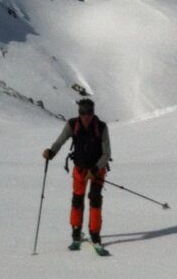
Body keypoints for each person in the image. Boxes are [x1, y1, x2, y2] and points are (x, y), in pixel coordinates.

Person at [43, 97, 111, 245]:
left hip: (97, 170)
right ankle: (76, 231)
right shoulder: (72, 125)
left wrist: (94, 169)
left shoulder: (102, 127)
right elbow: (60, 141)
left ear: (93, 112)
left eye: (89, 112)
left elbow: (107, 154)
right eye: (83, 112)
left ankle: (95, 234)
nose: (86, 116)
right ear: (79, 112)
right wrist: (51, 152)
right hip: (80, 170)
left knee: (95, 198)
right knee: (77, 199)